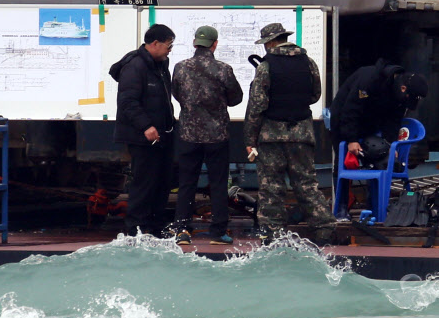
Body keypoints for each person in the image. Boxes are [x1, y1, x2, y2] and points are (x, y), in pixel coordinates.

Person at [243, 23, 336, 245]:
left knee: (271, 187)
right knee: (306, 183)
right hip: (302, 133)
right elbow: (315, 95)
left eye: (266, 43)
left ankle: (273, 234)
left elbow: (257, 105)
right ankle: (324, 229)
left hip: (272, 136)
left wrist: (249, 139)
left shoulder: (266, 66)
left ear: (272, 42)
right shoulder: (308, 62)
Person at [170, 25, 243, 245]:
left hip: (188, 135)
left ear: (195, 44)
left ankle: (182, 230)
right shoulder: (223, 69)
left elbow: (176, 94)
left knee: (187, 183)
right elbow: (236, 98)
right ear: (214, 44)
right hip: (217, 136)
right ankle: (218, 232)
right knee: (218, 183)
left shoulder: (180, 68)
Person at [329, 58, 428, 216]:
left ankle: (374, 208)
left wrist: (391, 144)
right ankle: (342, 206)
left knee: (378, 158)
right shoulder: (369, 81)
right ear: (403, 88)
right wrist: (352, 139)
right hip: (344, 118)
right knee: (344, 162)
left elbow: (393, 121)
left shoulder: (399, 96)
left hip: (371, 122)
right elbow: (351, 110)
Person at [109, 24, 176, 237]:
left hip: (163, 134)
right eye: (168, 45)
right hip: (142, 136)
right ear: (154, 44)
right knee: (144, 182)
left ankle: (155, 226)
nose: (170, 50)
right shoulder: (135, 66)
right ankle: (136, 228)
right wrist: (146, 126)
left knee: (162, 181)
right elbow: (128, 101)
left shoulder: (160, 64)